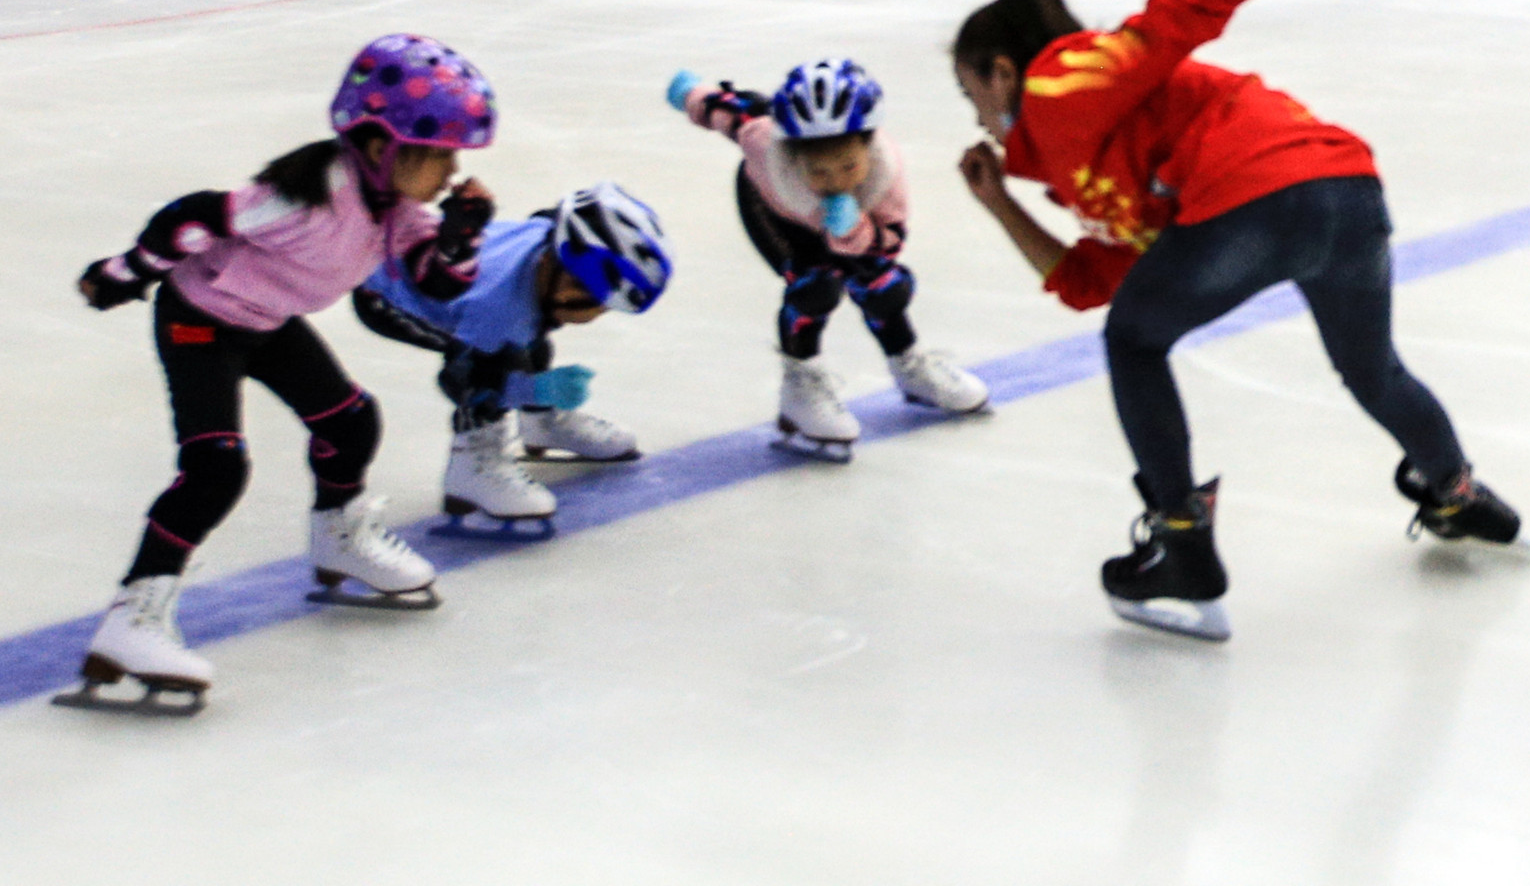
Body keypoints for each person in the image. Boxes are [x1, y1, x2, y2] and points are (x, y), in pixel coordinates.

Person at [950, 0, 1520, 643]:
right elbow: (1095, 279)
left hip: (1260, 195)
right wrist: (1000, 203)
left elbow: (1162, 28)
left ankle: (1182, 541)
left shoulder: (1060, 82)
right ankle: (1455, 491)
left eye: (973, 95)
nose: (979, 117)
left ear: (1002, 71)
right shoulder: (1088, 166)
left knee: (1132, 343)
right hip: (1347, 191)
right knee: (1371, 369)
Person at [60, 36, 495, 712]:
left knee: (351, 420)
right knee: (216, 468)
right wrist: (123, 274)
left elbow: (434, 283)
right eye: (439, 151)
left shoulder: (397, 211)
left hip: (267, 320)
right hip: (201, 318)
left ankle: (338, 540)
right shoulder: (312, 194)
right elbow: (195, 217)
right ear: (382, 145)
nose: (451, 168)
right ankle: (130, 621)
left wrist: (459, 237)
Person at [670, 56, 990, 461]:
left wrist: (853, 231)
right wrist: (690, 95)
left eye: (848, 166)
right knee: (814, 287)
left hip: (859, 226)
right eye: (818, 172)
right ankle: (799, 387)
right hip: (775, 210)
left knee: (883, 286)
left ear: (869, 146)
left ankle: (908, 363)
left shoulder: (884, 179)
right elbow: (732, 112)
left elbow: (886, 249)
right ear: (792, 152)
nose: (835, 182)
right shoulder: (764, 144)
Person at [354, 183, 673, 538]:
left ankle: (542, 426)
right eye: (597, 304)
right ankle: (471, 468)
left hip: (459, 278)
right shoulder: (495, 309)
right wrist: (535, 389)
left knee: (529, 341)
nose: (597, 316)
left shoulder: (545, 254)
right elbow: (461, 379)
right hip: (385, 295)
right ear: (567, 285)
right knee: (497, 363)